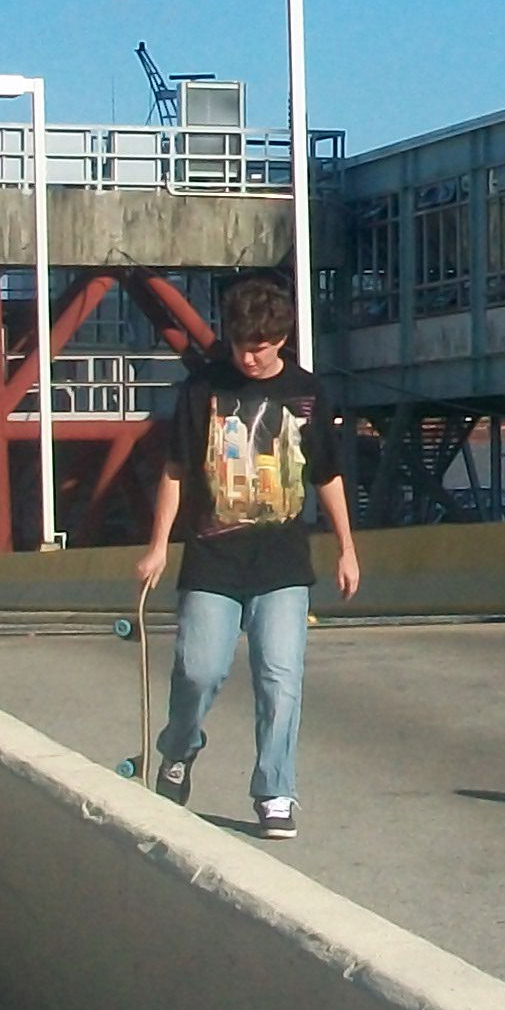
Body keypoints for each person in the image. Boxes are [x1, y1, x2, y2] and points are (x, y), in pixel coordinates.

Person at [133, 274, 360, 837]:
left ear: (280, 339)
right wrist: (158, 546)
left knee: (280, 677)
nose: (250, 358)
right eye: (241, 346)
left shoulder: (306, 393)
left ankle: (275, 790)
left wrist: (347, 550)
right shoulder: (201, 391)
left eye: (261, 346)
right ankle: (180, 747)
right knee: (198, 671)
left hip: (282, 563)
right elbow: (177, 471)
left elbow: (327, 475)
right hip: (212, 560)